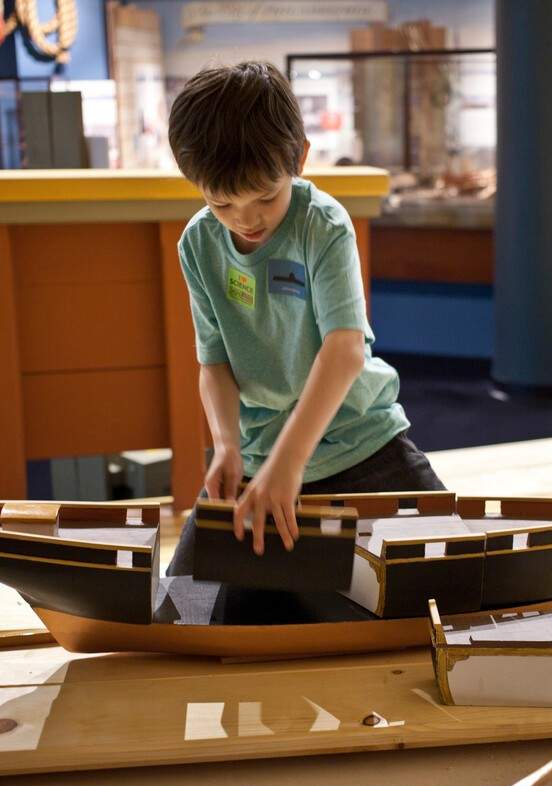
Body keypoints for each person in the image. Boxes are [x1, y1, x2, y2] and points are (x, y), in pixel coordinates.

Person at [163, 61, 444, 575]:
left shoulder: (322, 224)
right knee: (184, 605)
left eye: (266, 197)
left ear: (300, 158)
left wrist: (289, 464)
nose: (246, 219)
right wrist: (226, 444)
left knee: (457, 568)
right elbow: (215, 363)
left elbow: (345, 349)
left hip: (360, 442)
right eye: (222, 203)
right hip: (257, 460)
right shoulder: (198, 244)